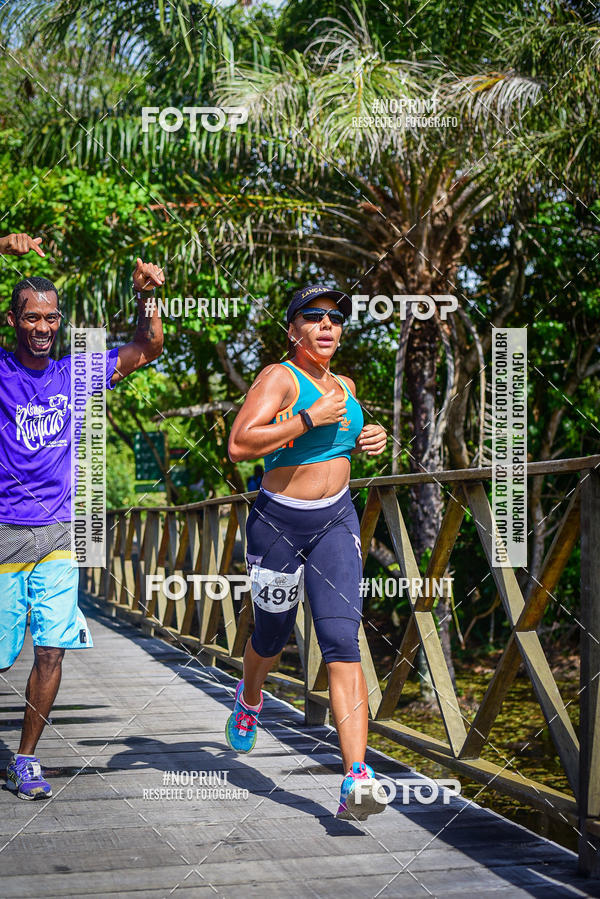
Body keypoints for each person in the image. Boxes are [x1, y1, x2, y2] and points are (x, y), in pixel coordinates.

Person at [0, 232, 165, 800]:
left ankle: (25, 760)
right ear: (13, 320)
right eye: (32, 318)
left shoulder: (76, 374)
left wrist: (148, 297)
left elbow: (147, 348)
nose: (43, 328)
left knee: (51, 647)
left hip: (57, 535)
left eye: (52, 318)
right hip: (1, 534)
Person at [227, 284, 388, 821]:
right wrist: (307, 419)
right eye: (313, 316)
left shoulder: (345, 385)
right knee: (271, 633)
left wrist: (372, 437)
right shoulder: (279, 378)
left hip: (337, 521)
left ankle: (356, 779)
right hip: (278, 523)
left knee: (343, 639)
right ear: (293, 329)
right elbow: (239, 443)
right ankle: (251, 697)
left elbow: (341, 444)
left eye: (335, 318)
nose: (327, 325)